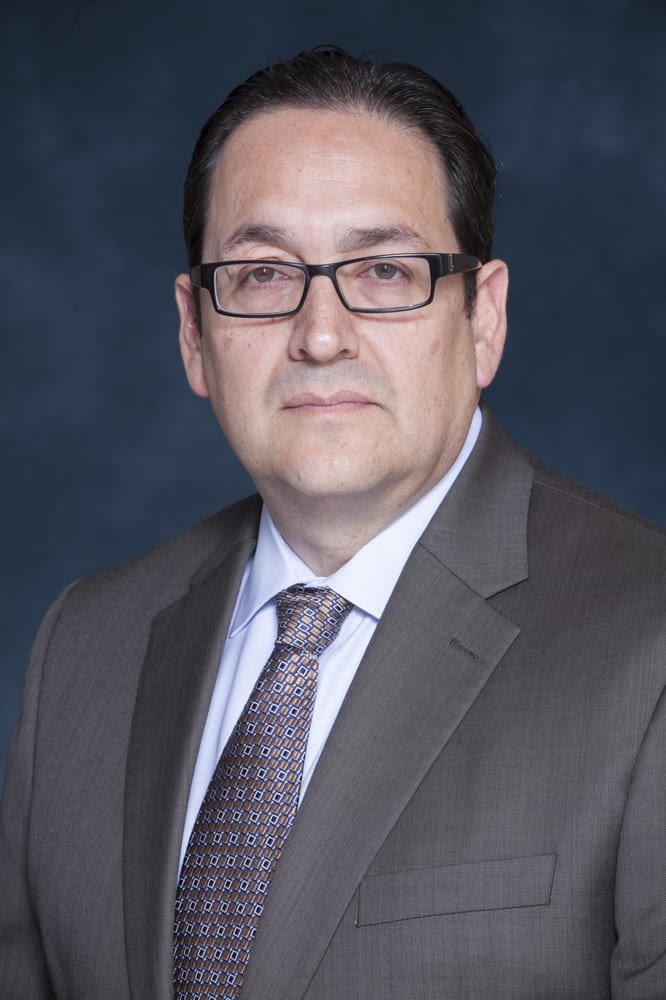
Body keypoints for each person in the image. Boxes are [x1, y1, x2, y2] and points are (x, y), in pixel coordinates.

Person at [1, 47, 664, 1000]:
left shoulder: (647, 639)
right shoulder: (84, 646)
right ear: (195, 332)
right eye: (263, 275)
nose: (320, 334)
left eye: (386, 271)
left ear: (482, 319)